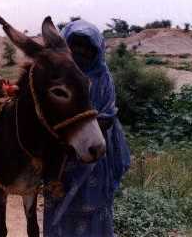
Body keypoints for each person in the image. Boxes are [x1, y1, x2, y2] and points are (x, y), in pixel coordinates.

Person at [44, 19, 131, 237]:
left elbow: (108, 116)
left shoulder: (103, 78)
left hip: (94, 154)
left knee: (94, 207)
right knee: (59, 205)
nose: (80, 51)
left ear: (97, 49)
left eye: (87, 46)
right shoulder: (57, 77)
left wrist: (82, 140)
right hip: (61, 156)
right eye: (75, 45)